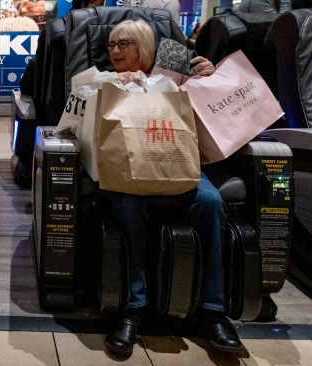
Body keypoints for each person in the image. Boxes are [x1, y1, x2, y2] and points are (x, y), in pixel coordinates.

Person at [102, 19, 244, 357]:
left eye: (125, 44)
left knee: (210, 203)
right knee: (127, 206)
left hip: (180, 165)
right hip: (130, 171)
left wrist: (214, 78)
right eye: (111, 45)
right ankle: (133, 308)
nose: (116, 51)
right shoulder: (103, 81)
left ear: (146, 48)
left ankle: (213, 312)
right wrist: (115, 87)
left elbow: (223, 104)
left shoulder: (179, 67)